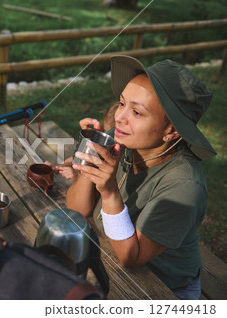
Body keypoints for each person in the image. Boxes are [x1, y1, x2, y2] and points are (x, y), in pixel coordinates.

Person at [63, 55, 216, 300]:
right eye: (122, 104)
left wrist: (109, 191)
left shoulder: (184, 186)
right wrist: (91, 153)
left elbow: (130, 257)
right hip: (105, 257)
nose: (119, 118)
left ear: (172, 130)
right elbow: (76, 209)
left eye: (136, 112)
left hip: (162, 289)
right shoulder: (121, 138)